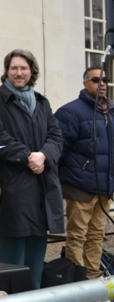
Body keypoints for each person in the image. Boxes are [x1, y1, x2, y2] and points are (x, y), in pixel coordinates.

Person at [0, 49, 64, 289]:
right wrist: (28, 157)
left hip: (43, 187)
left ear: (31, 71)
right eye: (14, 68)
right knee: (12, 263)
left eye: (23, 68)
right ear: (7, 71)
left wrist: (44, 155)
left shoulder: (42, 102)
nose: (18, 73)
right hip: (14, 186)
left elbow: (56, 136)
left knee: (36, 259)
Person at [54, 66, 114, 279]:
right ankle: (77, 279)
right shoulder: (70, 112)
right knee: (77, 236)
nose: (102, 84)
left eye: (105, 80)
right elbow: (58, 150)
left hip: (105, 187)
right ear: (85, 83)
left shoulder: (111, 111)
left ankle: (93, 278)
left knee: (97, 236)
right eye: (96, 80)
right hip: (79, 186)